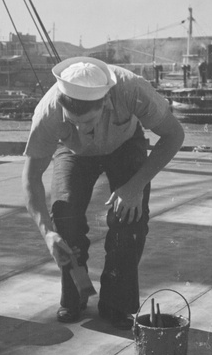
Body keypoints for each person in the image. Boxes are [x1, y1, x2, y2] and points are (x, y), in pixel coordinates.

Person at [22, 56, 184, 329]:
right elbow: (30, 177)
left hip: (124, 144)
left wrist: (135, 187)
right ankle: (75, 294)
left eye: (88, 122)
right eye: (72, 122)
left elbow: (174, 135)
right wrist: (46, 232)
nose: (81, 129)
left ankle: (116, 303)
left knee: (130, 216)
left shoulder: (132, 89)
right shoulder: (48, 112)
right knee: (64, 214)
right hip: (73, 152)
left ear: (106, 101)